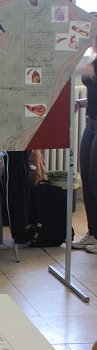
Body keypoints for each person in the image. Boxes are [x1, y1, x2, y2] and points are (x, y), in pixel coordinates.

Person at [75, 32, 97, 252]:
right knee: (87, 180)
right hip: (91, 123)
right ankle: (93, 233)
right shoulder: (93, 60)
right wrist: (80, 103)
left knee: (95, 179)